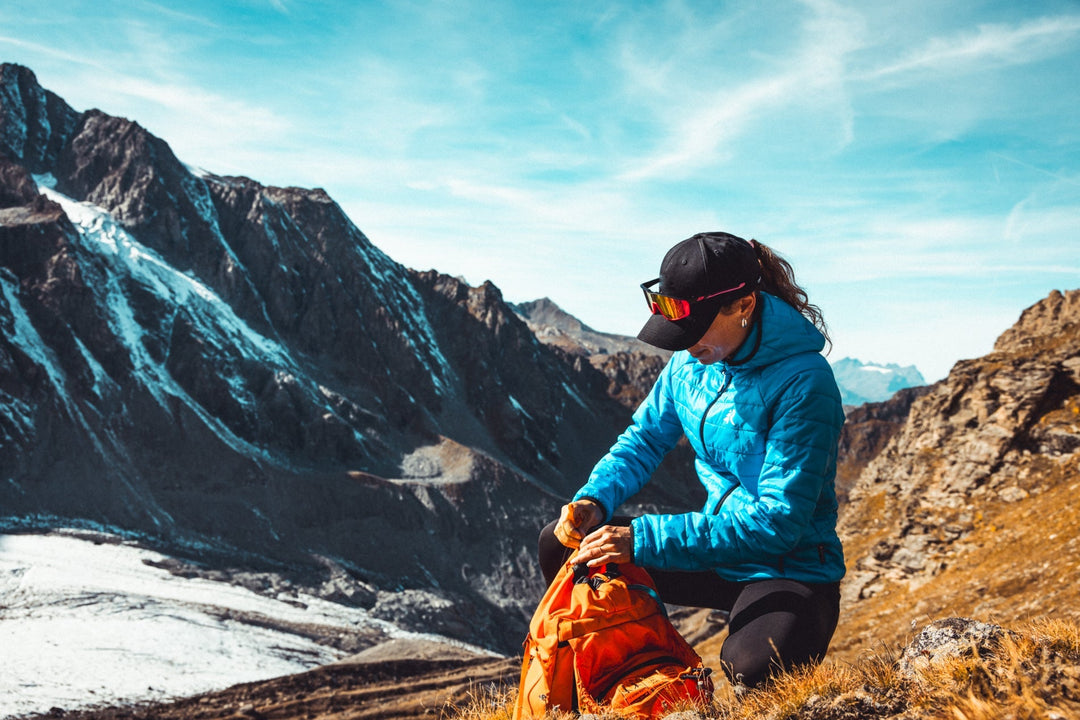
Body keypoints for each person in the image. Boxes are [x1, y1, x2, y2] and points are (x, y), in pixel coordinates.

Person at [539, 231, 845, 690]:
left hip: (789, 566)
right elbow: (644, 439)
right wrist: (594, 499)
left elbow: (778, 522)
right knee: (562, 544)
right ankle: (619, 681)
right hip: (714, 553)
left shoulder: (805, 382)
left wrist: (642, 539)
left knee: (753, 667)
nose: (684, 345)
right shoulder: (692, 362)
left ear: (743, 305)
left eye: (695, 328)